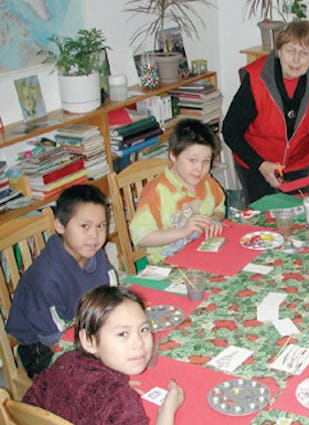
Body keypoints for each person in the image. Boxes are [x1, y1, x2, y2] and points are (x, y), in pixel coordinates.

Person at [23, 286, 184, 425]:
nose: (139, 343)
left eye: (143, 330)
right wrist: (166, 412)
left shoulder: (66, 361)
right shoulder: (121, 400)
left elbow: (30, 403)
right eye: (122, 333)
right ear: (88, 340)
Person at [7, 184, 118, 378]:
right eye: (85, 226)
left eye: (100, 225)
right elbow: (54, 340)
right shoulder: (47, 276)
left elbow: (111, 295)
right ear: (60, 225)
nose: (95, 235)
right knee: (96, 380)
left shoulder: (93, 253)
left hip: (81, 325)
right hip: (41, 347)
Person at [222, 20, 309, 204]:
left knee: (299, 223)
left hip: (300, 164)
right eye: (291, 51)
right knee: (262, 224)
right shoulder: (256, 79)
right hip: (256, 163)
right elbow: (230, 131)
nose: (296, 60)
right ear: (279, 51)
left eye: (304, 53)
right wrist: (260, 164)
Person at [130, 118, 226, 264]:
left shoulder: (207, 182)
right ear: (173, 155)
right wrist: (182, 232)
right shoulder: (157, 192)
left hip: (201, 255)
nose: (199, 169)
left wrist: (213, 220)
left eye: (206, 161)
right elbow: (141, 237)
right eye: (192, 160)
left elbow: (220, 208)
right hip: (167, 265)